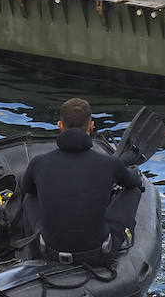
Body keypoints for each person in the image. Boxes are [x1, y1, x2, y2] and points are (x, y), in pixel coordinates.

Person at [18, 98, 144, 267]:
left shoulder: (38, 163)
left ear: (60, 126)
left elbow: (27, 190)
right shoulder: (109, 164)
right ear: (91, 126)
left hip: (50, 252)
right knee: (133, 190)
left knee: (29, 196)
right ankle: (128, 240)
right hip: (98, 254)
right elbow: (134, 182)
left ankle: (33, 256)